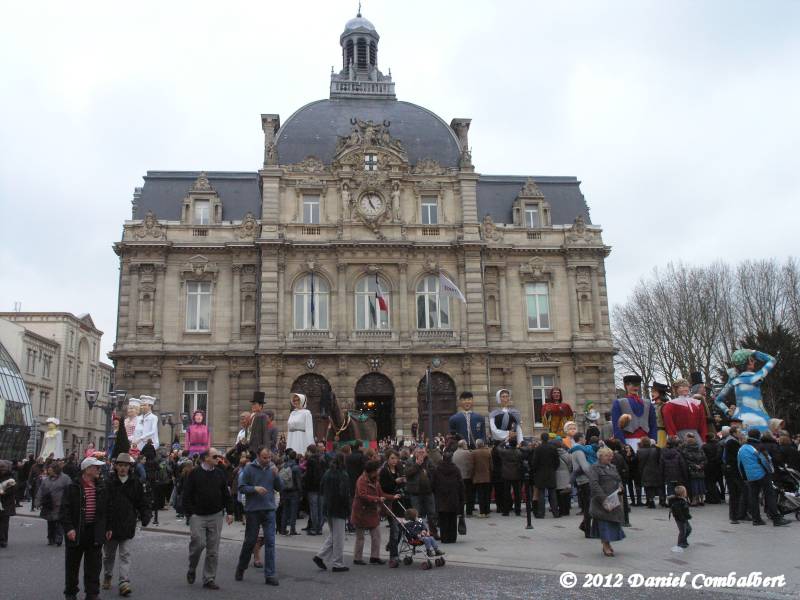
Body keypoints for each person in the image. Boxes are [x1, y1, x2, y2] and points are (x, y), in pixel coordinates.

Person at [183, 448, 235, 589]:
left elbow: (226, 494)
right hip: (198, 515)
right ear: (206, 458)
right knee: (198, 544)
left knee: (213, 550)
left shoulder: (220, 473)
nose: (218, 459)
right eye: (215, 456)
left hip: (215, 515)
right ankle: (192, 567)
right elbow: (186, 494)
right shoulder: (194, 473)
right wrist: (190, 513)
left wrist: (230, 512)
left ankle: (209, 578)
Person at [60, 456, 109, 600]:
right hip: (77, 531)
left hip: (94, 531)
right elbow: (65, 510)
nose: (99, 470)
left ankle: (92, 593)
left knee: (94, 566)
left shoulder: (101, 487)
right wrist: (69, 528)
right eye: (96, 467)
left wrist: (107, 527)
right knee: (72, 565)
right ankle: (70, 593)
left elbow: (107, 510)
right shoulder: (73, 487)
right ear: (87, 469)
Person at [103, 453, 151, 597]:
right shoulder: (109, 482)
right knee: (109, 555)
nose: (123, 468)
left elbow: (142, 501)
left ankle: (124, 582)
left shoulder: (135, 483)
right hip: (111, 525)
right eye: (120, 465)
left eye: (125, 466)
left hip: (127, 523)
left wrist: (145, 515)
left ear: (129, 467)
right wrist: (105, 524)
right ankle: (108, 574)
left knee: (125, 554)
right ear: (116, 467)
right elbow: (104, 503)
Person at [235, 446, 282, 586]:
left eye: (269, 458)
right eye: (264, 458)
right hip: (253, 510)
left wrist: (277, 476)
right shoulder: (249, 469)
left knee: (270, 542)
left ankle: (270, 574)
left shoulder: (272, 468)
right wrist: (254, 488)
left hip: (269, 509)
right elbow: (241, 487)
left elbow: (280, 488)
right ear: (258, 456)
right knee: (250, 541)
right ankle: (241, 567)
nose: (268, 460)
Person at [737, 429, 790, 527]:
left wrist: (744, 476)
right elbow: (766, 461)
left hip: (750, 476)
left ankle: (756, 519)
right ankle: (776, 519)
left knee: (753, 497)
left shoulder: (742, 448)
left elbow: (739, 464)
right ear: (758, 436)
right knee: (770, 495)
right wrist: (770, 471)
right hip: (762, 474)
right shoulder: (759, 446)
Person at [714, 349, 776, 432]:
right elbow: (772, 360)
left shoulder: (734, 380)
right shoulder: (755, 378)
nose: (754, 361)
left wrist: (727, 411)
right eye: (751, 359)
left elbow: (718, 400)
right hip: (759, 421)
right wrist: (754, 352)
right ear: (748, 363)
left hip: (738, 421)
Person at [351, 460, 398, 565]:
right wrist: (377, 499)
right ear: (371, 471)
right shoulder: (361, 480)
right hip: (361, 512)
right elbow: (362, 495)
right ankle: (357, 558)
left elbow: (381, 494)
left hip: (372, 511)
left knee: (376, 535)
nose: (377, 472)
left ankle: (374, 557)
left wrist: (393, 497)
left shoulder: (375, 480)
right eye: (376, 470)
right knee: (360, 537)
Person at [314, 452, 352, 573]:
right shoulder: (343, 475)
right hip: (339, 508)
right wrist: (348, 509)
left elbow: (321, 488)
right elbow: (344, 494)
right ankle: (337, 563)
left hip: (328, 506)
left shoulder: (327, 473)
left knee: (334, 534)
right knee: (339, 537)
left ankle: (320, 556)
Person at [588, 447, 625, 557]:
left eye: (610, 455)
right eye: (607, 455)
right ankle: (606, 545)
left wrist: (620, 487)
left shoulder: (612, 467)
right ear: (600, 457)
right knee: (604, 524)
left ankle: (608, 543)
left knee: (611, 523)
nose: (610, 457)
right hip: (601, 500)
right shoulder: (595, 467)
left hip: (614, 500)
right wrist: (603, 498)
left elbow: (618, 479)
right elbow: (594, 484)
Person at [612, 375, 656, 451]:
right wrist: (622, 444)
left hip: (646, 443)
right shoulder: (619, 403)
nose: (635, 387)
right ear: (626, 386)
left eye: (637, 385)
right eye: (633, 385)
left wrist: (653, 440)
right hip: (629, 442)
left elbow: (653, 424)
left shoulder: (648, 403)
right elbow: (617, 426)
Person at [379, 449, 406, 567]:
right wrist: (395, 481)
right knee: (395, 529)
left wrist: (402, 481)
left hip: (399, 501)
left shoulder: (399, 468)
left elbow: (402, 484)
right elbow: (384, 487)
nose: (395, 461)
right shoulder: (384, 471)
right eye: (392, 458)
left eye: (396, 458)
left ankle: (391, 545)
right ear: (387, 459)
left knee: (400, 528)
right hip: (389, 502)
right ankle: (393, 556)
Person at [405, 447, 438, 537]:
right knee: (416, 514)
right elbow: (407, 473)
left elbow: (434, 472)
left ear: (426, 453)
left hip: (428, 491)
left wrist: (427, 472)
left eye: (422, 452)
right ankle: (418, 533)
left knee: (432, 513)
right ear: (415, 453)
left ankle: (433, 532)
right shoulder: (410, 461)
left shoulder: (429, 461)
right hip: (415, 492)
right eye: (419, 452)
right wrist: (417, 465)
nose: (421, 454)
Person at [432, 452, 464, 543]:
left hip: (441, 498)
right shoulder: (456, 469)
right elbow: (461, 484)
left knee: (443, 519)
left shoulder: (437, 469)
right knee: (452, 518)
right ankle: (452, 537)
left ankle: (445, 537)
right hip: (453, 498)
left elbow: (433, 484)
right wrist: (461, 497)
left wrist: (436, 492)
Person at [37, 462, 71, 546]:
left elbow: (70, 489)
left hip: (60, 504)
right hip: (49, 504)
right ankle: (50, 538)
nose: (48, 471)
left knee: (59, 522)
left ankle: (59, 538)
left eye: (50, 470)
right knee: (50, 522)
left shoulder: (65, 478)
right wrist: (38, 501)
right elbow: (41, 490)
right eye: (48, 470)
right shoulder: (46, 480)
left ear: (55, 470)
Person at [662, 379, 707, 444]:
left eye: (686, 386)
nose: (685, 388)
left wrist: (704, 439)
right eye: (682, 387)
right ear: (676, 389)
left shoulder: (697, 404)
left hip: (696, 435)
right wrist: (673, 437)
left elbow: (702, 423)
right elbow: (669, 423)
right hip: (680, 435)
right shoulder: (670, 405)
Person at [570, 432, 596, 537]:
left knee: (588, 505)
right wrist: (593, 477)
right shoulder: (578, 450)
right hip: (585, 480)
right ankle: (587, 530)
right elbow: (585, 467)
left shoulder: (575, 450)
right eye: (584, 438)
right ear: (580, 438)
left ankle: (585, 525)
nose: (585, 440)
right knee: (589, 506)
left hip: (582, 480)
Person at [531, 433, 560, 518]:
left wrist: (535, 470)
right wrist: (553, 469)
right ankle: (555, 512)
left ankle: (541, 513)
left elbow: (534, 462)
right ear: (548, 438)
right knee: (552, 493)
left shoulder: (538, 449)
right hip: (551, 472)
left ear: (541, 438)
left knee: (541, 494)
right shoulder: (553, 448)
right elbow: (557, 461)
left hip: (540, 473)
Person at [278, 448, 302, 535]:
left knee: (285, 511)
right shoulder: (296, 467)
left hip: (285, 490)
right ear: (295, 457)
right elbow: (298, 481)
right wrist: (300, 492)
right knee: (293, 511)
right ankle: (292, 529)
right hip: (294, 491)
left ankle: (283, 529)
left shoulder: (284, 466)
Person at [304, 444, 325, 536]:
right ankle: (320, 528)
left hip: (312, 488)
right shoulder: (322, 460)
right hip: (321, 487)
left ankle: (314, 528)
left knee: (314, 509)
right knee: (320, 508)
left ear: (310, 451)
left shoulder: (310, 461)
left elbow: (309, 475)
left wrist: (306, 486)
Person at [680, 433, 707, 505]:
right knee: (701, 484)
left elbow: (686, 460)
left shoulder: (685, 450)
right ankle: (701, 499)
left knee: (694, 485)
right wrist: (701, 465)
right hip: (701, 470)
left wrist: (694, 466)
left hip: (692, 470)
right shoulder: (700, 449)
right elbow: (704, 459)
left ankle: (694, 500)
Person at [636, 438, 663, 508]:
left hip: (645, 471)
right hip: (655, 470)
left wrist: (640, 471)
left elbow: (639, 462)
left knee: (648, 487)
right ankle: (661, 500)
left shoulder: (639, 451)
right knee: (656, 486)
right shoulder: (655, 450)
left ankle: (650, 501)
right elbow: (659, 460)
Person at [452, 440, 475, 516]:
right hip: (467, 477)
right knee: (469, 495)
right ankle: (469, 511)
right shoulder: (467, 453)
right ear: (463, 445)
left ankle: (459, 511)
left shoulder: (454, 453)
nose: (467, 445)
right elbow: (471, 465)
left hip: (457, 478)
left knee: (460, 495)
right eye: (466, 444)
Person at [667, 485, 692, 552]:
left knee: (689, 529)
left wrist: (688, 516)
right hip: (680, 519)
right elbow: (678, 512)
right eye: (685, 491)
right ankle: (680, 544)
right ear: (682, 493)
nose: (686, 492)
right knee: (682, 531)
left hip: (684, 518)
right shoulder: (677, 502)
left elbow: (686, 509)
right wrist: (683, 518)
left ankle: (683, 540)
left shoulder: (683, 499)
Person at [471, 439, 492, 517]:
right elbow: (491, 465)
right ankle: (487, 511)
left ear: (477, 445)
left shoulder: (474, 453)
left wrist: (472, 475)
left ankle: (482, 512)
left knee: (480, 495)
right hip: (487, 476)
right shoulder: (488, 452)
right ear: (483, 444)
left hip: (478, 477)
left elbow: (472, 465)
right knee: (486, 495)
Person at [0, 460, 16, 548]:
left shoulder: (10, 478)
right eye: (1, 468)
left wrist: (3, 493)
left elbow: (12, 491)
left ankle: (3, 540)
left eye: (3, 468)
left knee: (4, 523)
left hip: (6, 503)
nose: (2, 469)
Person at [650, 382, 670, 448]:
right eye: (651, 392)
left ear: (660, 393)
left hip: (661, 433)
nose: (652, 394)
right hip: (651, 433)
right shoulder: (651, 406)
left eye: (654, 392)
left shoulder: (665, 406)